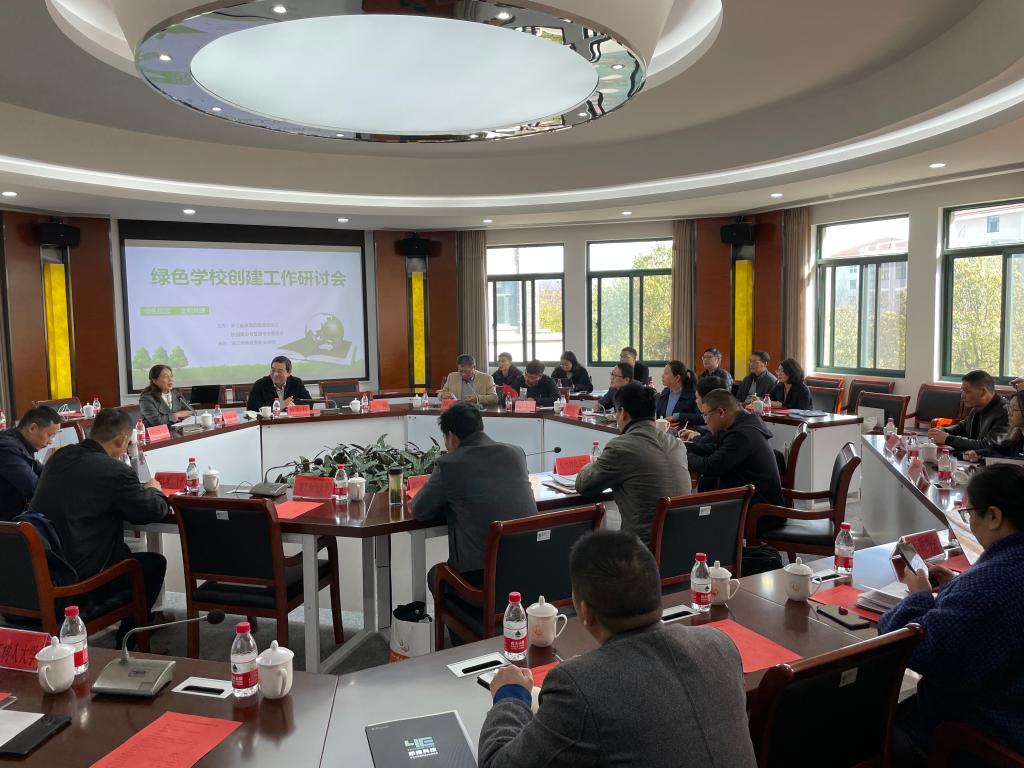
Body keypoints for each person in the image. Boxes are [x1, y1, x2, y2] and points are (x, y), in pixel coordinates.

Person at [478, 529, 756, 768]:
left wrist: (510, 695)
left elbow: (497, 763)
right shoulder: (720, 645)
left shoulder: (578, 687)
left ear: (585, 611)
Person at [879, 464, 1024, 761]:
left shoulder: (990, 585)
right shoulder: (1002, 570)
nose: (969, 522)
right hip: (1011, 711)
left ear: (993, 516)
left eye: (969, 513)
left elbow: (909, 646)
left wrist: (919, 596)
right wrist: (956, 586)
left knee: (855, 726)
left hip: (976, 737)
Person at [30, 409, 168, 643]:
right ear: (121, 441)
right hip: (78, 580)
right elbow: (151, 511)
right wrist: (154, 490)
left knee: (125, 552)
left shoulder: (58, 457)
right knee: (153, 564)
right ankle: (131, 640)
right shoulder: (115, 471)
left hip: (44, 568)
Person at [412, 403, 538, 615]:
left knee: (436, 575)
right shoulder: (516, 453)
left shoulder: (449, 464)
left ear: (451, 436)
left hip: (480, 582)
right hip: (529, 571)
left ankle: (468, 634)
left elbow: (420, 510)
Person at [575, 383, 690, 544]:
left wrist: (591, 463)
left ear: (622, 413)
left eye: (616, 412)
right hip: (682, 543)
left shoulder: (622, 447)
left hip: (640, 549)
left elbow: (583, 485)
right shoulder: (676, 444)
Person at [685, 389, 784, 516]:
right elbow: (719, 450)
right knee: (705, 485)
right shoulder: (744, 423)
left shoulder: (742, 435)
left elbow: (712, 466)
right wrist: (686, 448)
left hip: (759, 513)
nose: (704, 420)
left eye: (705, 415)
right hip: (750, 500)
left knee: (692, 513)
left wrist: (683, 456)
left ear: (721, 412)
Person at [0, 406, 61, 521]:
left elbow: (46, 472)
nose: (51, 441)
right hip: (6, 523)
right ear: (32, 428)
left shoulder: (20, 442)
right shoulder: (7, 449)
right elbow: (35, 490)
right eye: (50, 435)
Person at [928, 369, 1008, 454]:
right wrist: (944, 430)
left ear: (983, 392)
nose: (962, 396)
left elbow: (987, 446)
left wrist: (947, 439)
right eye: (962, 391)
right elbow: (963, 427)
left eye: (967, 392)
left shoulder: (1006, 412)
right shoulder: (977, 407)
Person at [964, 389, 1024, 461]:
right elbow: (1000, 449)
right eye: (1009, 408)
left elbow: (1018, 460)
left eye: (1014, 409)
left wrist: (985, 458)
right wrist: (977, 453)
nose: (1009, 413)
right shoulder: (1018, 436)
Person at [246, 355, 312, 411]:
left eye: (280, 371)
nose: (275, 374)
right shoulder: (260, 384)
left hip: (291, 420)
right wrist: (278, 406)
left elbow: (309, 403)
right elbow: (252, 407)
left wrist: (293, 406)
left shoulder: (296, 383)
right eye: (273, 370)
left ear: (288, 373)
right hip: (268, 421)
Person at [655, 361, 702, 425]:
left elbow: (701, 418)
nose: (662, 376)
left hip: (685, 430)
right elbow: (659, 417)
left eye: (666, 373)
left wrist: (678, 416)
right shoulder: (665, 392)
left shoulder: (693, 395)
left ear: (677, 378)